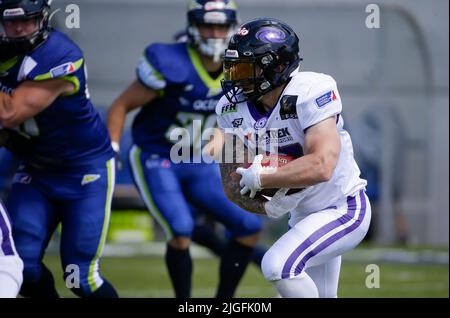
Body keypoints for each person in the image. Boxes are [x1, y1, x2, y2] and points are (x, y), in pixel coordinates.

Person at [107, 0, 262, 298]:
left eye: (221, 25)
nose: (215, 33)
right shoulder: (170, 62)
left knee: (248, 226)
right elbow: (121, 105)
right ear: (193, 26)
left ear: (232, 27)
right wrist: (112, 148)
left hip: (197, 159)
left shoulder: (240, 68)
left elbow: (233, 115)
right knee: (180, 230)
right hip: (156, 156)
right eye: (208, 25)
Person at [214, 18, 371, 298]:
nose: (235, 77)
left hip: (342, 208)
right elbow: (231, 182)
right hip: (302, 217)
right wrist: (269, 204)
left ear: (276, 67)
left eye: (245, 68)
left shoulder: (310, 91)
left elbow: (321, 166)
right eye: (232, 67)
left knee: (279, 266)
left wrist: (264, 177)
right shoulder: (229, 109)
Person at [0, 0, 118, 298]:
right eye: (10, 21)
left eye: (26, 20)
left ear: (43, 18)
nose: (17, 28)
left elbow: (9, 113)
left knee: (80, 278)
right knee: (22, 268)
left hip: (84, 171)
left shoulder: (60, 54)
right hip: (36, 170)